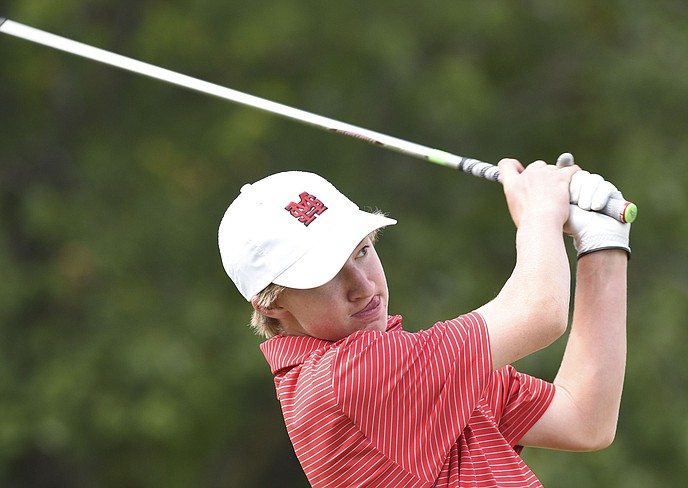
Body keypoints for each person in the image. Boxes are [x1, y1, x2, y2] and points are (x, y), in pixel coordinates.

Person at [217, 159, 630, 487]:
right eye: (325, 275)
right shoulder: (349, 376)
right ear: (271, 305)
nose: (363, 286)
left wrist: (602, 244)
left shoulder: (420, 369)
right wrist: (540, 212)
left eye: (361, 252)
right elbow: (540, 312)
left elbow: (584, 420)